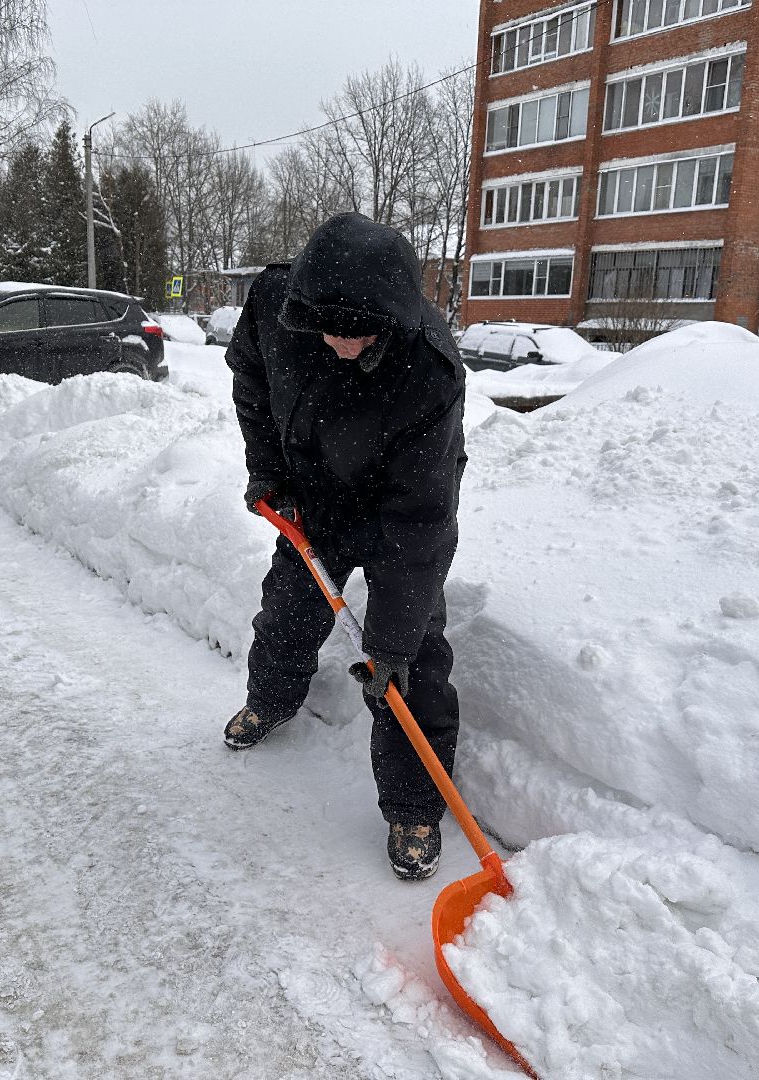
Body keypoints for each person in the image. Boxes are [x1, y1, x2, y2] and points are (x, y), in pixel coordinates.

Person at [224, 212, 466, 881]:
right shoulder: (276, 306)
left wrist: (391, 643)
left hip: (398, 509)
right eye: (327, 329)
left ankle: (414, 807)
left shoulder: (429, 368)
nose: (340, 344)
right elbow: (251, 381)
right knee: (287, 612)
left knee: (410, 662)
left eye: (358, 332)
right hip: (313, 494)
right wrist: (269, 472)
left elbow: (422, 518)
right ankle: (271, 700)